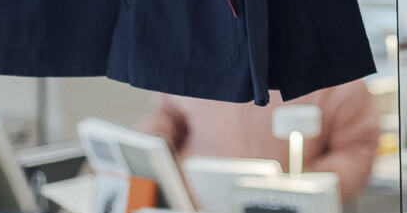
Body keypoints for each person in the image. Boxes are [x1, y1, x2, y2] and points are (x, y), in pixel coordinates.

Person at [144, 79, 381, 202]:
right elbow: (169, 117)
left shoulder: (334, 70)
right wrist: (143, 150)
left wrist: (302, 189)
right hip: (193, 212)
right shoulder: (199, 52)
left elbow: (356, 150)